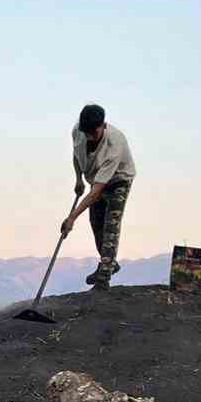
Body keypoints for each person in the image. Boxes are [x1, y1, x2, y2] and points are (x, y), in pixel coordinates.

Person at [62, 104, 135, 289]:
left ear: (103, 125)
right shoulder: (78, 131)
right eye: (86, 133)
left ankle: (103, 279)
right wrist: (78, 179)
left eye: (92, 133)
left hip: (118, 180)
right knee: (96, 223)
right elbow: (76, 155)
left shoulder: (114, 144)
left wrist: (71, 218)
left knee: (111, 225)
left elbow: (96, 192)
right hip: (95, 179)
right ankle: (109, 262)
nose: (88, 137)